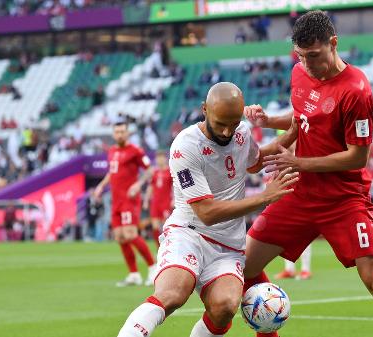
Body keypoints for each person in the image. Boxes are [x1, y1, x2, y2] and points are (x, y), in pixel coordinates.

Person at [243, 11, 373, 337]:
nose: (307, 64)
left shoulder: (357, 91)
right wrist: (269, 120)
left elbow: (358, 157)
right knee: (244, 266)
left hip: (343, 199)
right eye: (301, 56)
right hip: (299, 193)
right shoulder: (299, 73)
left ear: (333, 44)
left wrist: (301, 163)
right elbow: (302, 118)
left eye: (313, 55)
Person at [116, 82, 298, 337]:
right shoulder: (185, 147)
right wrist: (264, 197)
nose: (227, 131)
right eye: (221, 123)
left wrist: (295, 130)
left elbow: (255, 162)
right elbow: (207, 212)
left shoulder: (241, 132)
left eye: (233, 123)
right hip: (189, 233)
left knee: (224, 307)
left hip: (228, 246)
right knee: (173, 294)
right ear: (204, 110)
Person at [93, 120, 157, 287]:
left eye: (122, 131)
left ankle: (153, 267)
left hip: (129, 199)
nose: (120, 134)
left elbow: (150, 170)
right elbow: (112, 172)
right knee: (120, 237)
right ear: (113, 134)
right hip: (116, 200)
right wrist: (101, 186)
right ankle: (134, 274)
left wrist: (138, 184)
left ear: (127, 133)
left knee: (130, 234)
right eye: (117, 132)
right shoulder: (112, 151)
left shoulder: (135, 151)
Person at [143, 151, 174, 249]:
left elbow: (174, 187)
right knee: (155, 227)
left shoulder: (169, 171)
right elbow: (151, 187)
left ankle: (169, 247)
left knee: (167, 226)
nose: (159, 160)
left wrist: (174, 199)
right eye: (158, 158)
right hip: (155, 203)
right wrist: (146, 200)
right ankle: (159, 249)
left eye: (161, 157)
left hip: (166, 202)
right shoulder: (154, 172)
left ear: (165, 159)